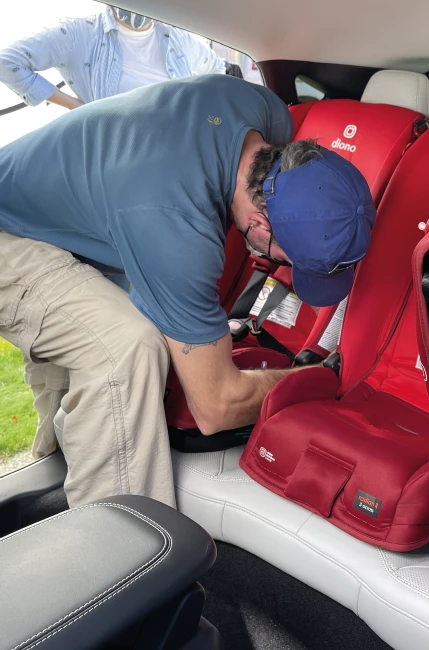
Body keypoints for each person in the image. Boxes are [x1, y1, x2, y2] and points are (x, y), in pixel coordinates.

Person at [0, 74, 376, 509]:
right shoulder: (176, 227)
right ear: (260, 224)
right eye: (287, 259)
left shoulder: (260, 109)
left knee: (88, 341)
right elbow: (216, 406)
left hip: (50, 213)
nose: (283, 267)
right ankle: (116, 554)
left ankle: (57, 466)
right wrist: (320, 380)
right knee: (124, 348)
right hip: (11, 235)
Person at [0, 6, 224, 111]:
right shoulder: (79, 34)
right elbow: (7, 62)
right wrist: (78, 109)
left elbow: (217, 73)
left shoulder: (178, 37)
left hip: (177, 161)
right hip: (113, 168)